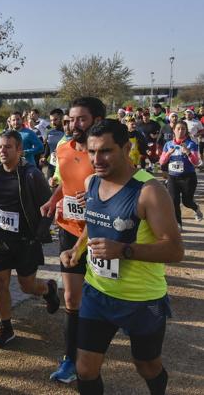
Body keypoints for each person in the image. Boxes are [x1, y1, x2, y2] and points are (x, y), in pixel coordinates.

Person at [60, 119, 183, 395]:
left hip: (141, 299)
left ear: (126, 148)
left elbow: (175, 249)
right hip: (97, 293)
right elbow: (95, 221)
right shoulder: (91, 182)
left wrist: (124, 250)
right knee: (85, 369)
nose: (96, 159)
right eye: (91, 152)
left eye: (105, 151)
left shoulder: (150, 191)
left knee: (146, 365)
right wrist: (77, 248)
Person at [41, 96, 105, 383]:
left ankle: (96, 349)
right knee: (71, 296)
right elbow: (66, 184)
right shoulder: (63, 147)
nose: (74, 124)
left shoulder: (103, 154)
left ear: (97, 121)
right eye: (71, 118)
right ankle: (69, 358)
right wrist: (52, 200)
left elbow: (120, 190)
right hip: (68, 229)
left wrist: (94, 197)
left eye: (81, 119)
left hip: (101, 233)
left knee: (105, 295)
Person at [0, 130, 60, 348]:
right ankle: (6, 327)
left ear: (19, 149)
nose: (2, 151)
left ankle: (48, 288)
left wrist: (39, 235)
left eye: (8, 147)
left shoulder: (31, 174)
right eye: (0, 147)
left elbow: (49, 207)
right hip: (1, 239)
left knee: (27, 286)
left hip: (25, 240)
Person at [159, 121, 203, 228]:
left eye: (183, 129)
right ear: (173, 130)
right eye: (178, 128)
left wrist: (188, 152)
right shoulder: (168, 144)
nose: (180, 131)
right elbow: (161, 162)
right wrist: (169, 153)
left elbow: (196, 162)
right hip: (173, 177)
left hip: (188, 177)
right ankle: (178, 223)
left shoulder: (191, 144)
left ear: (186, 131)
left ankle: (196, 208)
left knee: (187, 202)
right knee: (174, 201)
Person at [42, 109, 66, 179]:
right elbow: (48, 145)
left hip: (64, 165)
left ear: (62, 118)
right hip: (52, 165)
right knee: (50, 187)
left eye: (55, 120)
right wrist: (45, 157)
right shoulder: (49, 132)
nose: (53, 123)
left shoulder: (67, 132)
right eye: (51, 120)